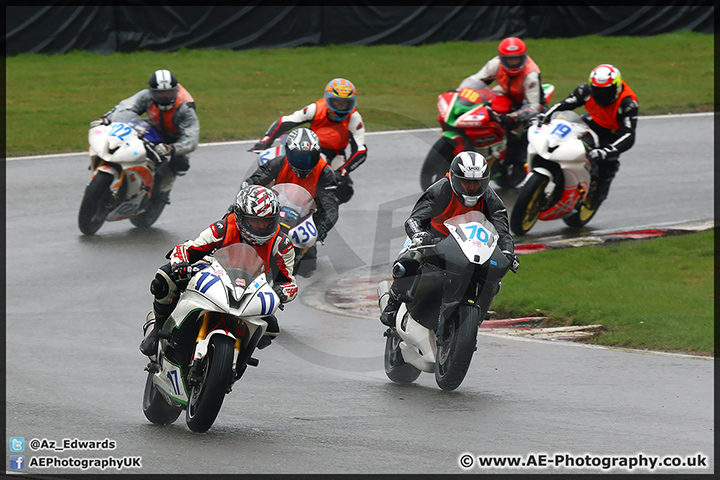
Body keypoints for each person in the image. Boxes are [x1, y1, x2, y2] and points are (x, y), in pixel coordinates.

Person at [139, 185, 298, 357]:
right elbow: (188, 248)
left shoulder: (282, 244)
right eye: (255, 221)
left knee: (271, 329)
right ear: (240, 217)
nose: (261, 227)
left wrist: (281, 293)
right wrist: (181, 264)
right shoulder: (223, 228)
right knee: (164, 278)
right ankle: (158, 329)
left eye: (267, 222)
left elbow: (288, 282)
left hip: (253, 287)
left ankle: (239, 362)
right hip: (214, 272)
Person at [379, 151, 519, 327]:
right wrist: (419, 235)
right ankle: (393, 303)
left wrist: (507, 251)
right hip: (434, 239)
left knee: (494, 274)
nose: (471, 188)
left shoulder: (490, 198)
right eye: (466, 181)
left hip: (471, 244)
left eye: (477, 183)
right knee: (407, 262)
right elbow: (414, 220)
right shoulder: (439, 190)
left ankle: (477, 315)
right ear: (454, 178)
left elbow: (503, 230)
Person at [538, 63, 638, 210]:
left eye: (606, 91)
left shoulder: (628, 103)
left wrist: (608, 151)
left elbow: (629, 134)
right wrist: (544, 117)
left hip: (612, 133)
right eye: (597, 90)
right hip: (591, 122)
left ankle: (597, 194)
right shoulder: (585, 90)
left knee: (607, 163)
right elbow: (564, 104)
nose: (601, 95)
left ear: (616, 88)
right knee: (558, 138)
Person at [90, 69, 200, 202]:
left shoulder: (185, 108)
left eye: (168, 92)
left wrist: (172, 148)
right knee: (126, 130)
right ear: (152, 91)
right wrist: (106, 119)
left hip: (175, 137)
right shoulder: (146, 96)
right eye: (160, 94)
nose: (164, 97)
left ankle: (162, 194)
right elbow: (126, 108)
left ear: (175, 91)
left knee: (179, 163)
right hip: (154, 126)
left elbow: (191, 138)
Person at [251, 78, 366, 204]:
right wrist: (265, 141)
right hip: (308, 146)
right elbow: (286, 121)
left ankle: (318, 212)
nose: (340, 106)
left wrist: (341, 172)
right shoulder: (316, 108)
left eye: (345, 103)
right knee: (278, 166)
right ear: (328, 99)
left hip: (335, 154)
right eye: (336, 102)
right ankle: (261, 195)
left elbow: (360, 150)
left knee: (345, 190)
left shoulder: (354, 118)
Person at [243, 128, 339, 277]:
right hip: (273, 210)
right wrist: (249, 189)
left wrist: (320, 230)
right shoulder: (279, 163)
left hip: (305, 218)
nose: (304, 163)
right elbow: (256, 180)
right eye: (299, 158)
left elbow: (331, 208)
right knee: (243, 223)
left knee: (308, 268)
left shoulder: (325, 172)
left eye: (310, 158)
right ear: (288, 153)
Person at [457, 37, 545, 165]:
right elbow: (477, 80)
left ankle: (520, 160)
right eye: (509, 59)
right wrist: (460, 92)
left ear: (523, 58)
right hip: (506, 94)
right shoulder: (495, 64)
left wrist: (512, 117)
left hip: (528, 103)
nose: (513, 63)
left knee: (523, 132)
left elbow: (534, 106)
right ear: (502, 58)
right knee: (484, 99)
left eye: (517, 59)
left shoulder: (531, 75)